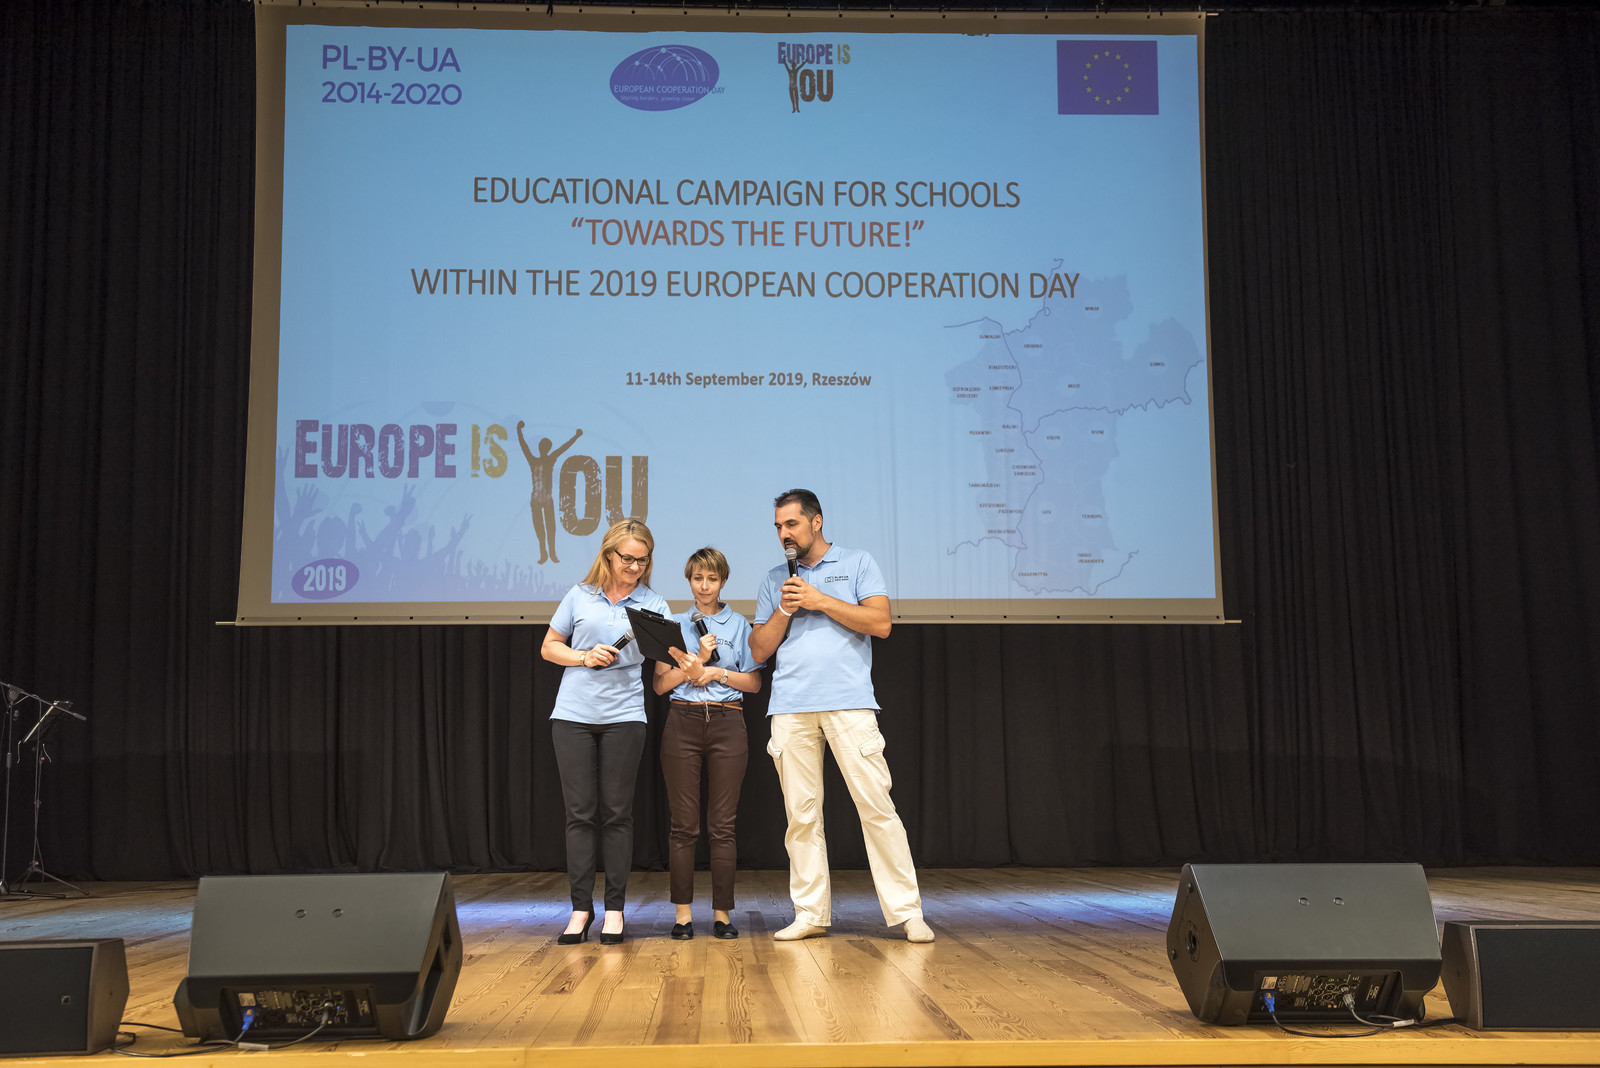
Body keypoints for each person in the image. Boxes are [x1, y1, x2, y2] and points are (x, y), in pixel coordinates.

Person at [749, 489, 934, 943]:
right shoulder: (774, 578)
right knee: (801, 817)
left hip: (849, 704)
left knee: (877, 808)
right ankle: (810, 914)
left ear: (816, 522)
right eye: (778, 527)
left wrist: (820, 600)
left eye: (791, 524)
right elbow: (758, 650)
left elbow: (881, 624)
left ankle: (907, 913)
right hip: (790, 706)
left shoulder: (857, 563)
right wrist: (784, 608)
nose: (784, 534)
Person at [540, 518, 667, 945]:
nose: (635, 567)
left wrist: (690, 660)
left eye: (642, 560)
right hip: (573, 715)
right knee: (579, 814)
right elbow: (549, 647)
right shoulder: (580, 595)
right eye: (627, 558)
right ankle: (580, 909)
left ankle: (614, 909)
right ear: (608, 555)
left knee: (617, 814)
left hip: (625, 716)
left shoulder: (653, 603)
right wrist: (582, 656)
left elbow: (668, 657)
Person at [651, 547, 764, 940]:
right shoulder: (673, 625)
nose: (704, 586)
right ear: (689, 581)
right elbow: (660, 685)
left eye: (712, 579)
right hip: (681, 722)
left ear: (723, 582)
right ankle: (683, 916)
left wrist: (716, 672)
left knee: (723, 826)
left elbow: (753, 683)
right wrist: (692, 666)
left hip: (727, 721)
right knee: (683, 826)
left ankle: (722, 915)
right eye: (697, 578)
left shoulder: (740, 625)